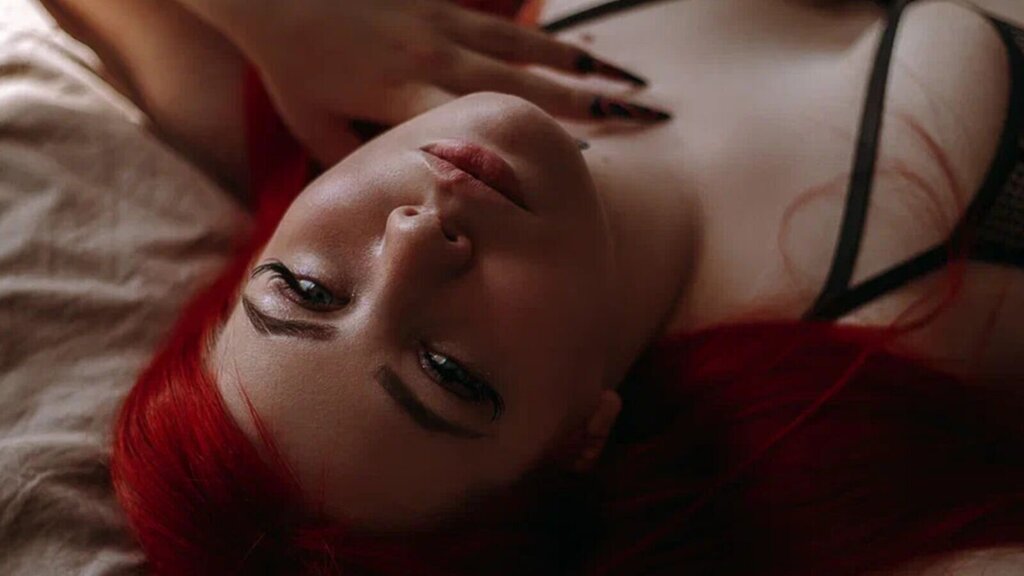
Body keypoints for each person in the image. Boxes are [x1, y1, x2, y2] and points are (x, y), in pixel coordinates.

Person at [36, 0, 1024, 574]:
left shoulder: (331, 85)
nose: (415, 243)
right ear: (580, 439)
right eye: (445, 371)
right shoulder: (873, 362)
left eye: (306, 288)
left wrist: (284, 19)